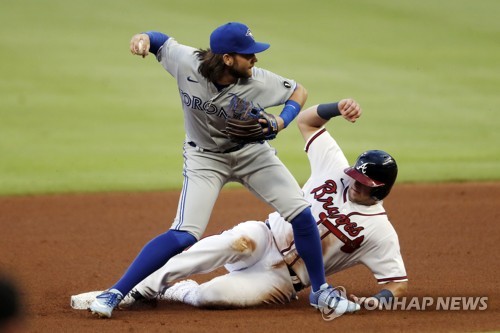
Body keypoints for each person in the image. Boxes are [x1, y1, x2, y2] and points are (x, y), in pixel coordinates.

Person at [89, 22, 356, 318]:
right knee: (184, 234)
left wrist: (280, 122)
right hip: (205, 158)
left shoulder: (259, 80)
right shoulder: (186, 61)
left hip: (251, 154)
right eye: (248, 54)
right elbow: (160, 42)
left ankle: (320, 292)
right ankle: (114, 292)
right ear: (227, 59)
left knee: (302, 215)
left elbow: (298, 91)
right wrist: (141, 39)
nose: (255, 59)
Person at [96, 99, 408, 312]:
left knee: (211, 296)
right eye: (355, 176)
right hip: (263, 237)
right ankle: (135, 289)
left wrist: (378, 301)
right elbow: (307, 122)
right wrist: (337, 108)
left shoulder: (380, 232)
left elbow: (397, 284)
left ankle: (181, 290)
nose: (353, 182)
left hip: (282, 281)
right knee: (219, 245)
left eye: (363, 184)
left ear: (380, 190)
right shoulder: (335, 168)